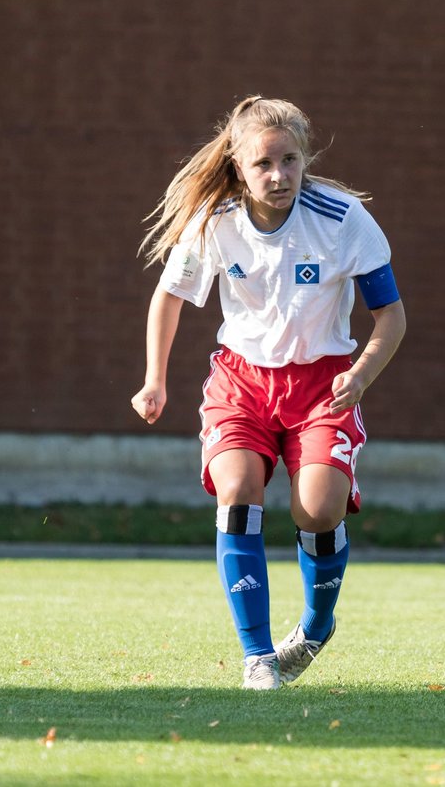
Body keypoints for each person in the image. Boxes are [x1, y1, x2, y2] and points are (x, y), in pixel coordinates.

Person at [130, 96, 407, 690]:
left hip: (322, 385)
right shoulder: (215, 222)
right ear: (237, 165)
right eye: (263, 164)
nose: (278, 175)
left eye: (289, 160)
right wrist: (155, 379)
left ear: (305, 158)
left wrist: (359, 376)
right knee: (237, 491)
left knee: (320, 507)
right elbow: (170, 298)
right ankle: (258, 656)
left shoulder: (342, 219)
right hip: (242, 381)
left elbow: (392, 317)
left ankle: (313, 628)